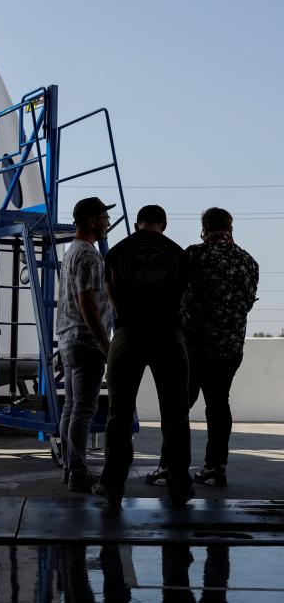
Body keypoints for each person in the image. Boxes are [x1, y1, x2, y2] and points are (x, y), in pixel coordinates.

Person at [147, 207, 259, 487]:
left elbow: (173, 294)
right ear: (230, 228)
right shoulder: (248, 262)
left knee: (179, 406)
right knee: (219, 404)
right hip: (230, 348)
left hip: (192, 347)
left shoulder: (193, 255)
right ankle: (215, 467)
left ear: (204, 229)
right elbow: (245, 304)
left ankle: (169, 466)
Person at [92, 205, 193, 506]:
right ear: (164, 223)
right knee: (175, 415)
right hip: (169, 335)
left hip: (128, 334)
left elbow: (110, 293)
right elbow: (184, 295)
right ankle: (180, 485)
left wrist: (126, 317)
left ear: (137, 224)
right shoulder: (179, 253)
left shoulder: (118, 251)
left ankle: (112, 486)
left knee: (119, 415)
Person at [56, 197, 114, 491]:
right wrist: (105, 343)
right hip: (86, 341)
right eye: (104, 217)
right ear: (92, 220)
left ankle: (70, 468)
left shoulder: (71, 251)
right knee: (83, 410)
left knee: (71, 408)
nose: (107, 223)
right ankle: (78, 473)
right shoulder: (90, 255)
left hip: (68, 338)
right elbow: (87, 302)